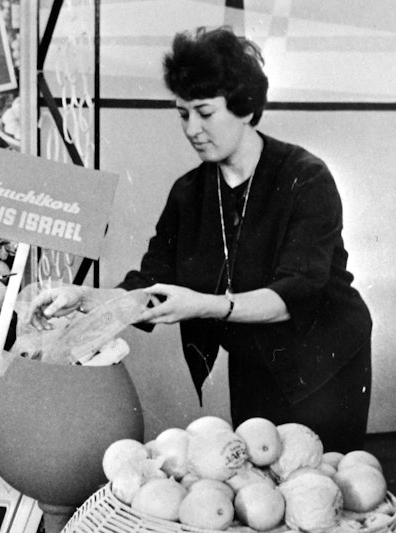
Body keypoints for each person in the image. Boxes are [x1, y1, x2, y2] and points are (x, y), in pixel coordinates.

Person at [25, 27, 372, 453]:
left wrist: (203, 304)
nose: (192, 128)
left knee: (320, 483)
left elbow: (296, 293)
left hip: (324, 363)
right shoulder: (189, 193)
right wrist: (85, 298)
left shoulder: (305, 177)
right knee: (260, 481)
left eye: (205, 113)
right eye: (183, 114)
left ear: (244, 109)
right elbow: (150, 283)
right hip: (253, 360)